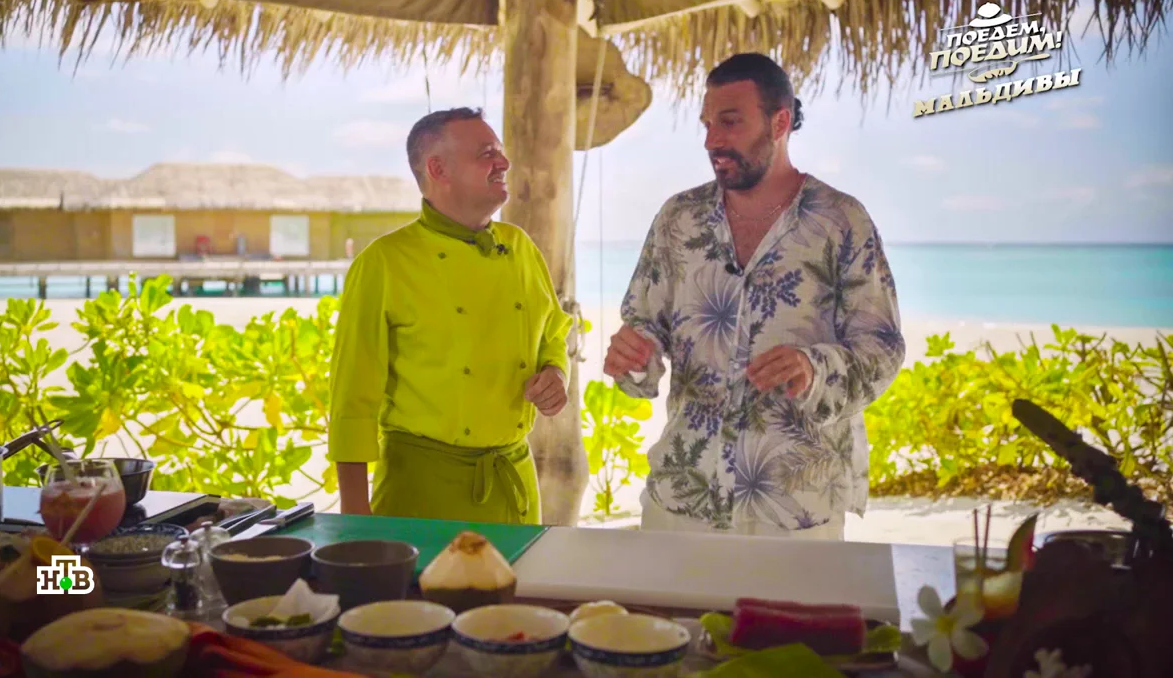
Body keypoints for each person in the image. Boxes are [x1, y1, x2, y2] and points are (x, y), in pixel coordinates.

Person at [605, 53, 905, 540]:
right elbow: (644, 331)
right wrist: (633, 361)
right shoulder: (678, 218)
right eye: (707, 124)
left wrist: (814, 368)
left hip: (796, 510)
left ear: (779, 122)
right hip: (682, 499)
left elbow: (883, 349)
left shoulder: (841, 221)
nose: (712, 140)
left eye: (730, 122)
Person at [328, 107, 572, 526]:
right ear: (438, 169)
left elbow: (553, 331)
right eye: (487, 153)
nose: (504, 162)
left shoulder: (520, 246)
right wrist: (356, 520)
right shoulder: (384, 262)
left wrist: (556, 371)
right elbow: (352, 401)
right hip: (422, 492)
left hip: (514, 483)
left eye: (501, 152)